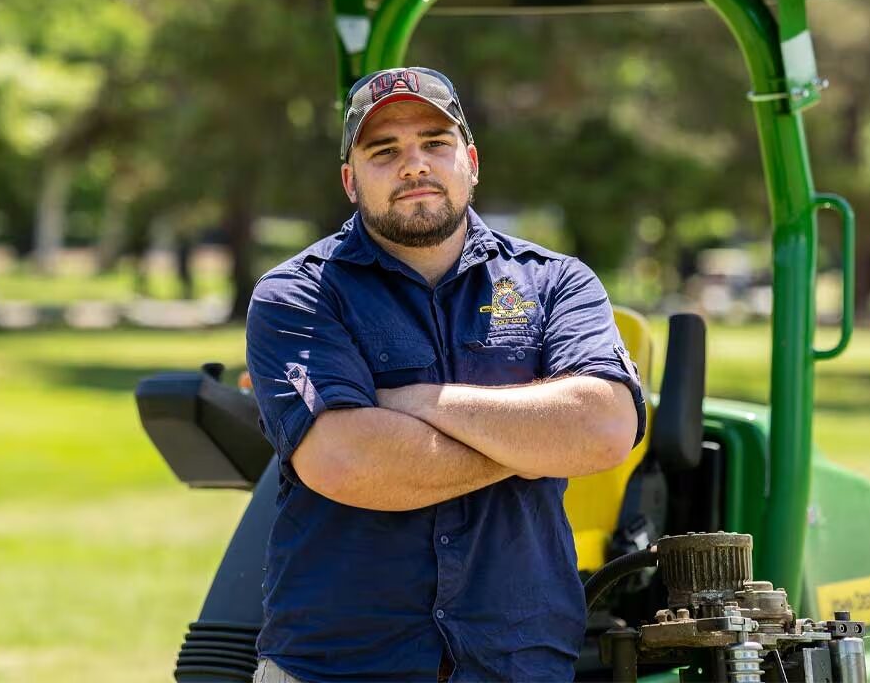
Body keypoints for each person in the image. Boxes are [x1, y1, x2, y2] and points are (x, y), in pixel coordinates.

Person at [245, 66, 646, 683]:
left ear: (472, 162)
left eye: (435, 143)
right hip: (341, 664)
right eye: (385, 151)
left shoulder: (556, 283)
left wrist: (412, 402)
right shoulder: (298, 294)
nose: (414, 165)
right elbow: (347, 462)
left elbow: (606, 429)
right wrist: (536, 442)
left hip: (518, 660)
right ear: (351, 181)